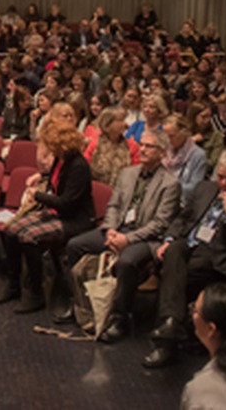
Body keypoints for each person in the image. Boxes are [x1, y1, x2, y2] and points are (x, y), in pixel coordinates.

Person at [143, 150, 226, 369]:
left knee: (177, 273)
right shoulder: (205, 188)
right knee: (173, 251)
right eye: (220, 177)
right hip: (191, 244)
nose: (224, 183)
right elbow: (183, 218)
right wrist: (169, 238)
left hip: (219, 254)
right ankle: (174, 323)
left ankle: (167, 339)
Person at [64, 130, 180, 342]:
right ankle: (80, 305)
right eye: (141, 144)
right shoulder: (128, 173)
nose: (142, 149)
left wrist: (128, 239)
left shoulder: (170, 183)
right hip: (116, 229)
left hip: (145, 239)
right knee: (74, 245)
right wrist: (109, 229)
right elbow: (114, 205)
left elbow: (160, 224)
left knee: (126, 262)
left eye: (149, 146)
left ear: (162, 152)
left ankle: (119, 318)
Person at [0, 119, 94, 314]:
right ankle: (13, 283)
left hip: (74, 220)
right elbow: (52, 179)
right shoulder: (61, 159)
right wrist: (40, 179)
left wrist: (37, 195)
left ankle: (35, 292)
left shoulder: (79, 166)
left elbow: (67, 203)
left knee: (28, 236)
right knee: (10, 229)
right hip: (59, 213)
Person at [161, 115, 208, 207]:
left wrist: (169, 188)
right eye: (165, 136)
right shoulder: (165, 150)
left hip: (182, 203)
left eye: (171, 136)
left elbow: (195, 188)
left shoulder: (198, 155)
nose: (168, 140)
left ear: (184, 132)